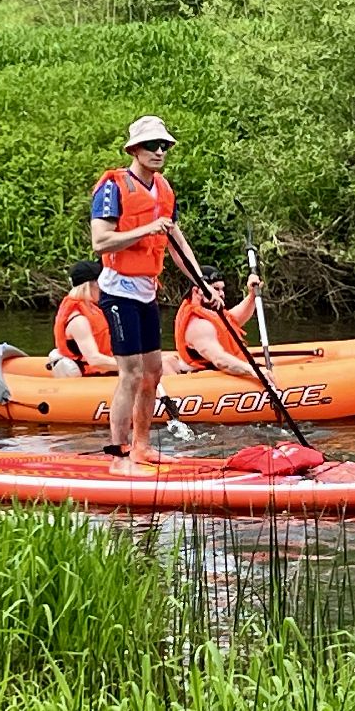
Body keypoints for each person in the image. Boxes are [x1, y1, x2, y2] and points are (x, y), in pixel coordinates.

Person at [90, 115, 220, 469]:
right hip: (118, 292)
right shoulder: (113, 187)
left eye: (164, 145)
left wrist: (201, 283)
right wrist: (148, 227)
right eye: (152, 145)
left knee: (154, 372)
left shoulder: (164, 189)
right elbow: (100, 241)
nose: (159, 151)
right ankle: (118, 449)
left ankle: (142, 446)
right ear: (135, 149)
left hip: (147, 291)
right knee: (130, 372)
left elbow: (176, 243)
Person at [173, 265, 276, 388]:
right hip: (205, 382)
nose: (221, 294)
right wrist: (254, 370)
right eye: (216, 289)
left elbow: (235, 319)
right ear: (196, 291)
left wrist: (252, 295)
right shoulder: (198, 325)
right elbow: (220, 360)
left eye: (222, 289)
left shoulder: (211, 313)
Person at [48, 260, 116, 378]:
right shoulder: (78, 320)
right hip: (94, 375)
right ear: (90, 285)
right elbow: (94, 359)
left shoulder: (91, 308)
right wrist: (132, 367)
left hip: (106, 369)